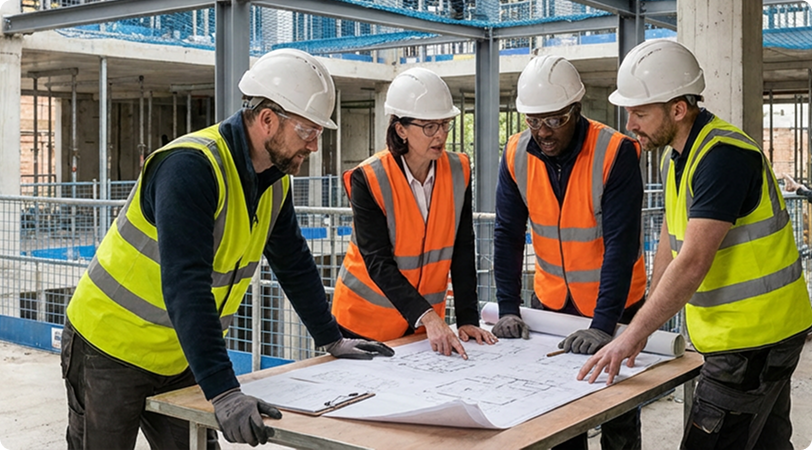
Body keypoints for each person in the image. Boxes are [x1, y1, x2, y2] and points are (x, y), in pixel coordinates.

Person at [61, 49, 393, 450]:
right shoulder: (190, 168)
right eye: (308, 131)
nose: (315, 145)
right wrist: (223, 392)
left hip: (181, 355)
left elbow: (293, 262)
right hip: (109, 349)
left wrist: (331, 337)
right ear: (268, 120)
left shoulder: (274, 181)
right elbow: (187, 284)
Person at [578, 40, 812, 450]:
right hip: (752, 334)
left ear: (678, 109)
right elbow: (670, 245)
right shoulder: (680, 158)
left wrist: (632, 336)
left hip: (752, 340)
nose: (630, 123)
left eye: (640, 112)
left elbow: (692, 262)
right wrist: (647, 326)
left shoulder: (724, 156)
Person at [490, 55, 647, 450]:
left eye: (554, 120)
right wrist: (509, 307)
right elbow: (508, 234)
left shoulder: (615, 152)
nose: (543, 132)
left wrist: (603, 325)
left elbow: (621, 244)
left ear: (576, 110)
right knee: (557, 415)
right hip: (553, 304)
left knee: (618, 410)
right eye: (533, 121)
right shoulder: (515, 155)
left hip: (615, 305)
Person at [331, 67, 497, 359]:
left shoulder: (459, 171)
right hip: (363, 324)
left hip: (420, 329)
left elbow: (462, 249)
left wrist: (468, 317)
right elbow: (378, 262)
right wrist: (429, 317)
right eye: (429, 127)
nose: (441, 135)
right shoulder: (369, 178)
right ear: (401, 129)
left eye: (445, 124)